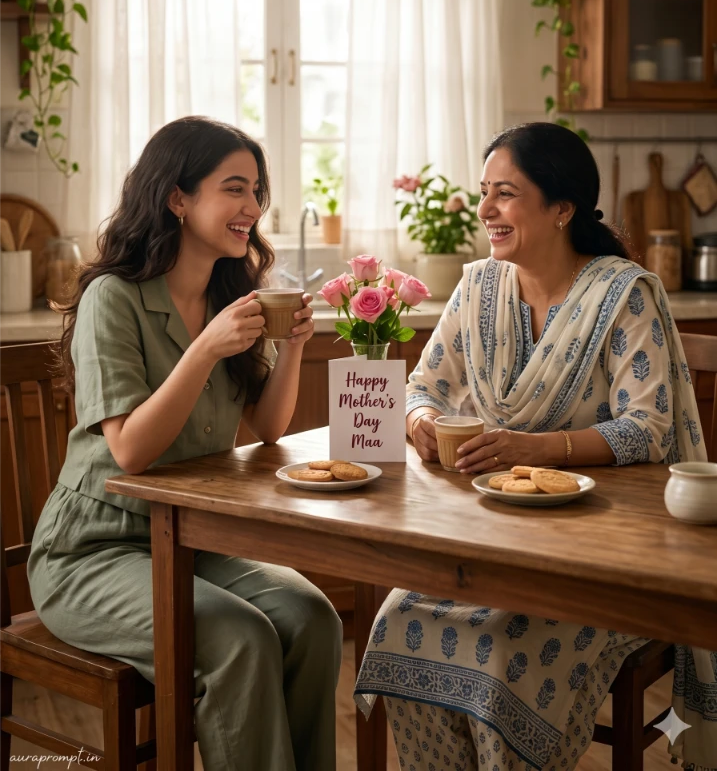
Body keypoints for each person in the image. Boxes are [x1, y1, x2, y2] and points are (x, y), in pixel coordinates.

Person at [354, 123, 715, 771]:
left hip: (599, 555)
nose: (485, 210)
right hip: (483, 541)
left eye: (505, 194)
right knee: (397, 623)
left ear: (561, 207)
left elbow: (647, 428)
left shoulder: (623, 294)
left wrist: (538, 449)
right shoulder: (477, 287)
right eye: (483, 192)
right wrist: (421, 421)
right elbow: (420, 387)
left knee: (499, 650)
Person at [27, 116, 343, 771]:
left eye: (256, 190)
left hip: (192, 539)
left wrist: (293, 347)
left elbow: (270, 427)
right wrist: (205, 349)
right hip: (92, 552)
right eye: (234, 188)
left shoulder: (232, 292)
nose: (252, 206)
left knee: (313, 616)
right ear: (177, 197)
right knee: (239, 637)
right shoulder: (112, 298)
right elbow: (130, 452)